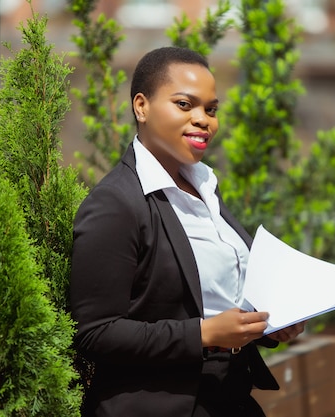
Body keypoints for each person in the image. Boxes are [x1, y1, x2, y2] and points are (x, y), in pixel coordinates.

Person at [70, 46, 306, 417]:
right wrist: (203, 334)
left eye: (211, 109)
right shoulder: (116, 203)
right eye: (185, 104)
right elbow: (96, 332)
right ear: (141, 106)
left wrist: (266, 326)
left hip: (229, 396)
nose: (204, 120)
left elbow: (214, 299)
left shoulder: (205, 188)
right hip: (157, 405)